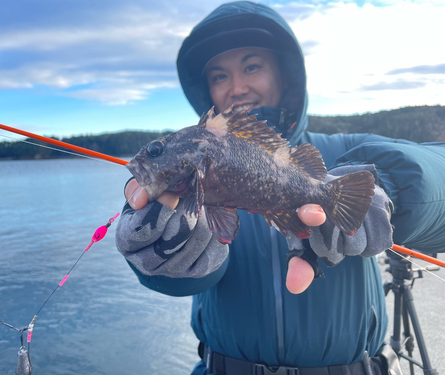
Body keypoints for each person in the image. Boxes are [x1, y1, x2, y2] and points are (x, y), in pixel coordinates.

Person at [116, 2, 445, 374]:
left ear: (285, 73)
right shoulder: (184, 187)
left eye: (252, 67)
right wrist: (158, 262)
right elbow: (192, 272)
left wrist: (393, 188)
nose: (237, 87)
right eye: (219, 76)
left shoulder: (347, 150)